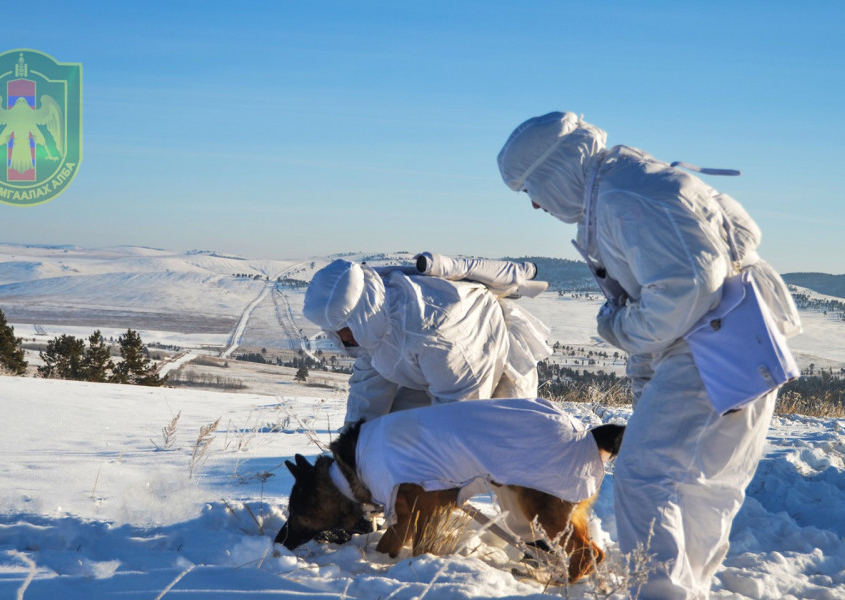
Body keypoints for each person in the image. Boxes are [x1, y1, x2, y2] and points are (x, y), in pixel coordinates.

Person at [497, 111, 801, 600]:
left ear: (556, 170)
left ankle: (659, 592)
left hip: (709, 344)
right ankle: (685, 590)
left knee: (645, 475)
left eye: (532, 187)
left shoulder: (623, 197)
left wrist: (616, 326)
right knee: (704, 482)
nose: (535, 203)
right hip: (744, 337)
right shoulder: (631, 182)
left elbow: (688, 287)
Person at [303, 258, 550, 426]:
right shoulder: (373, 323)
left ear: (361, 316)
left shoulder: (433, 330)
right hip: (429, 374)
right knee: (392, 436)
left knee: (502, 452)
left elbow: (459, 414)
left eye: (345, 329)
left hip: (491, 357)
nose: (344, 338)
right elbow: (368, 390)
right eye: (336, 331)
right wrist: (351, 449)